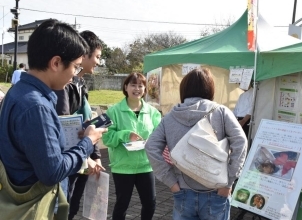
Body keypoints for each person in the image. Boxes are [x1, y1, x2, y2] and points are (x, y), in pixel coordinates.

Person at [0, 19, 107, 217]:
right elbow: (52, 172)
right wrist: (88, 142)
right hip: (37, 207)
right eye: (75, 67)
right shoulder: (36, 106)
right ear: (56, 63)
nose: (74, 75)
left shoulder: (18, 92)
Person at [145, 68, 247, 220]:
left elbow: (151, 147)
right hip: (217, 189)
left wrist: (171, 182)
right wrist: (228, 182)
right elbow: (240, 142)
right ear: (210, 89)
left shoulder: (170, 117)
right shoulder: (221, 112)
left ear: (184, 89)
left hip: (182, 191)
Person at [54, 30, 104, 220]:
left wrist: (96, 155)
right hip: (71, 157)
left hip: (82, 153)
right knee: (64, 206)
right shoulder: (64, 85)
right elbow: (65, 126)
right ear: (84, 54)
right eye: (97, 57)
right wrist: (86, 158)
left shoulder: (81, 84)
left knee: (72, 206)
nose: (98, 62)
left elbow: (87, 122)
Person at [102, 72, 161, 220]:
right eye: (133, 85)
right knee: (122, 204)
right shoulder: (113, 111)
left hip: (146, 165)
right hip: (122, 166)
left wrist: (152, 142)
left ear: (145, 89)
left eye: (140, 85)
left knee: (150, 203)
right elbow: (106, 138)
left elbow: (160, 136)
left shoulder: (153, 112)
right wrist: (125, 135)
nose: (137, 89)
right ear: (126, 87)